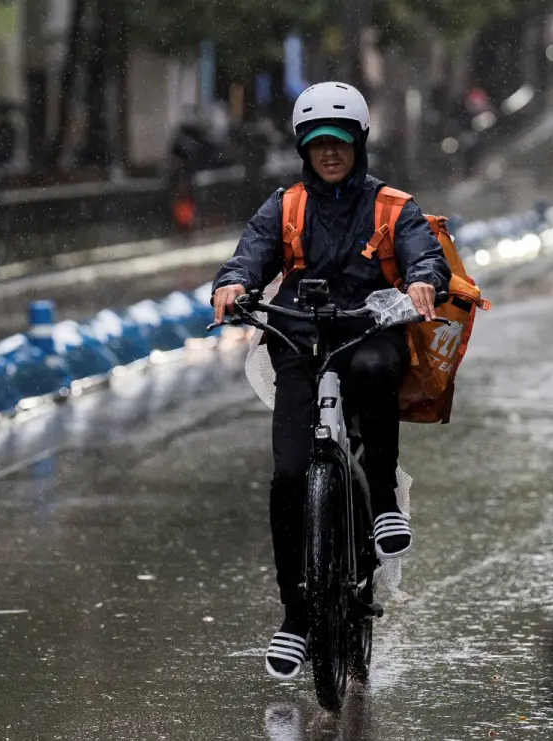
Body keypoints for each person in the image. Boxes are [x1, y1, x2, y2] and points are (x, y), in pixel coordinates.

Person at [211, 82, 451, 681]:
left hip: (366, 334)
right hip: (299, 342)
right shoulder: (284, 206)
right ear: (303, 149)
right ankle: (295, 615)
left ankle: (384, 506)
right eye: (318, 145)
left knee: (374, 370)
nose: (330, 154)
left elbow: (425, 253)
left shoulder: (394, 206)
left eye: (340, 143)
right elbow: (251, 254)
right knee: (289, 475)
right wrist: (233, 282)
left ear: (359, 144)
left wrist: (422, 279)